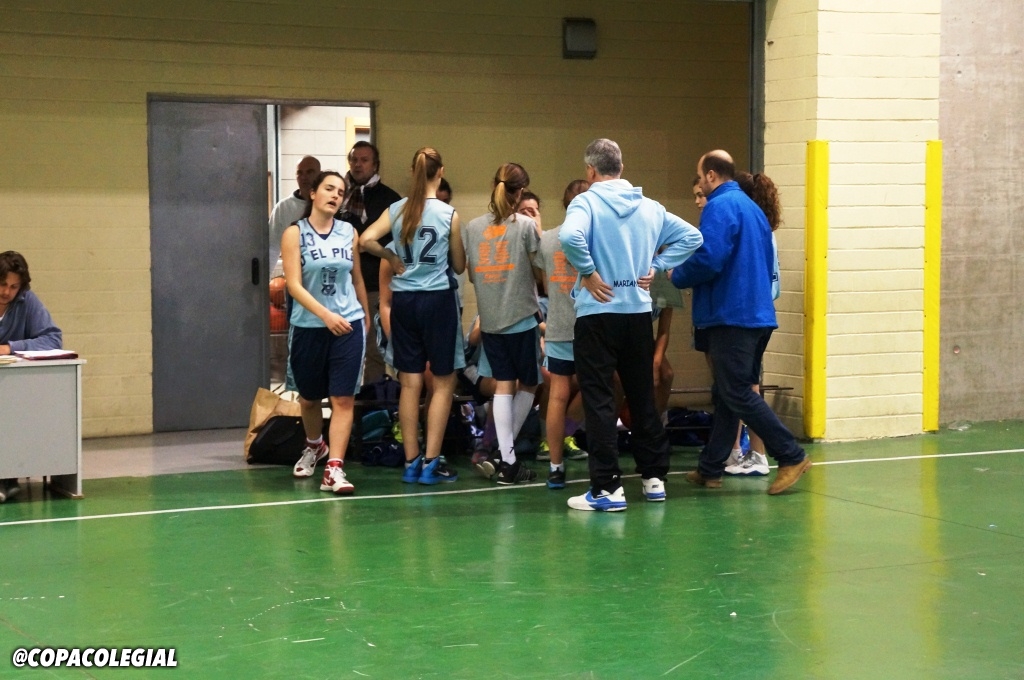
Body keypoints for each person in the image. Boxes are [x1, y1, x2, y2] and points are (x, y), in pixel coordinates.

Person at [559, 139, 702, 512]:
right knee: (642, 398)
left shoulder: (586, 203)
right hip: (637, 315)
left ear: (591, 170)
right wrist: (658, 266)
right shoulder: (650, 207)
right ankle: (654, 479)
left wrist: (588, 272)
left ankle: (607, 488)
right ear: (621, 167)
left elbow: (569, 236)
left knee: (600, 400)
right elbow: (693, 237)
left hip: (597, 315)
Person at [671, 150, 811, 495]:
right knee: (726, 394)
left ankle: (791, 455)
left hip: (731, 316)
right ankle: (711, 468)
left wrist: (677, 274)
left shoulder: (720, 206)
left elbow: (710, 259)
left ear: (712, 175)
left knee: (735, 392)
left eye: (700, 177)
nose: (700, 184)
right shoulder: (753, 210)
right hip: (757, 315)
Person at [361, 147, 466, 484]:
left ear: (412, 171)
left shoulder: (397, 209)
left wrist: (391, 257)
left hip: (404, 301)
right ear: (441, 171)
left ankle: (410, 462)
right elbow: (459, 266)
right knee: (444, 382)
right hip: (437, 301)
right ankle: (431, 463)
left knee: (409, 383)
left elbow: (365, 240)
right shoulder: (448, 214)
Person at [282, 171, 370, 495]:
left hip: (347, 324)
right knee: (309, 398)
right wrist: (325, 315)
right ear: (313, 193)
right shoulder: (295, 233)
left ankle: (334, 468)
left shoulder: (349, 232)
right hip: (310, 326)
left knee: (343, 398)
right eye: (329, 189)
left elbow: (356, 278)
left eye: (340, 192)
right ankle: (314, 445)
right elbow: (294, 285)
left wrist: (365, 316)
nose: (335, 195)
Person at [463, 162, 543, 485]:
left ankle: (505, 458)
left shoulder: (472, 227)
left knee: (504, 385)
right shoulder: (525, 226)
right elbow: (540, 272)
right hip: (521, 319)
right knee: (530, 384)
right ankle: (505, 456)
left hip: (491, 320)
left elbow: (472, 274)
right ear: (520, 192)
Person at [721, 171, 784, 477]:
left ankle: (760, 453)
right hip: (759, 315)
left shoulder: (757, 234)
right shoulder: (763, 231)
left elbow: (769, 283)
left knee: (747, 387)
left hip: (749, 319)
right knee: (743, 385)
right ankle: (737, 451)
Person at [535, 179, 591, 489]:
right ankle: (602, 465)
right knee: (598, 393)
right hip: (590, 327)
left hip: (558, 325)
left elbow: (545, 284)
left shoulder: (547, 239)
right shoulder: (596, 237)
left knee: (557, 395)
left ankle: (555, 467)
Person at [0, 251, 63, 502]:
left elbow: (53, 339)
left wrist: (11, 347)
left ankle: (7, 477)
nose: (7, 292)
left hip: (15, 387)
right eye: (2, 284)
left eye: (13, 287)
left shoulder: (28, 302)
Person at [338, 141, 402, 385]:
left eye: (364, 160)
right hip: (341, 286)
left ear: (375, 165)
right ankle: (343, 400)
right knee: (342, 348)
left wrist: (363, 245)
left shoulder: (390, 199)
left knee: (374, 349)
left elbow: (396, 243)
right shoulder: (338, 196)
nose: (358, 164)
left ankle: (371, 400)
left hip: (376, 284)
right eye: (354, 159)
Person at [269, 155, 321, 273]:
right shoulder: (283, 208)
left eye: (310, 172)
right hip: (294, 277)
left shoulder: (329, 205)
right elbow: (272, 247)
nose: (304, 177)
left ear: (320, 174)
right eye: (299, 173)